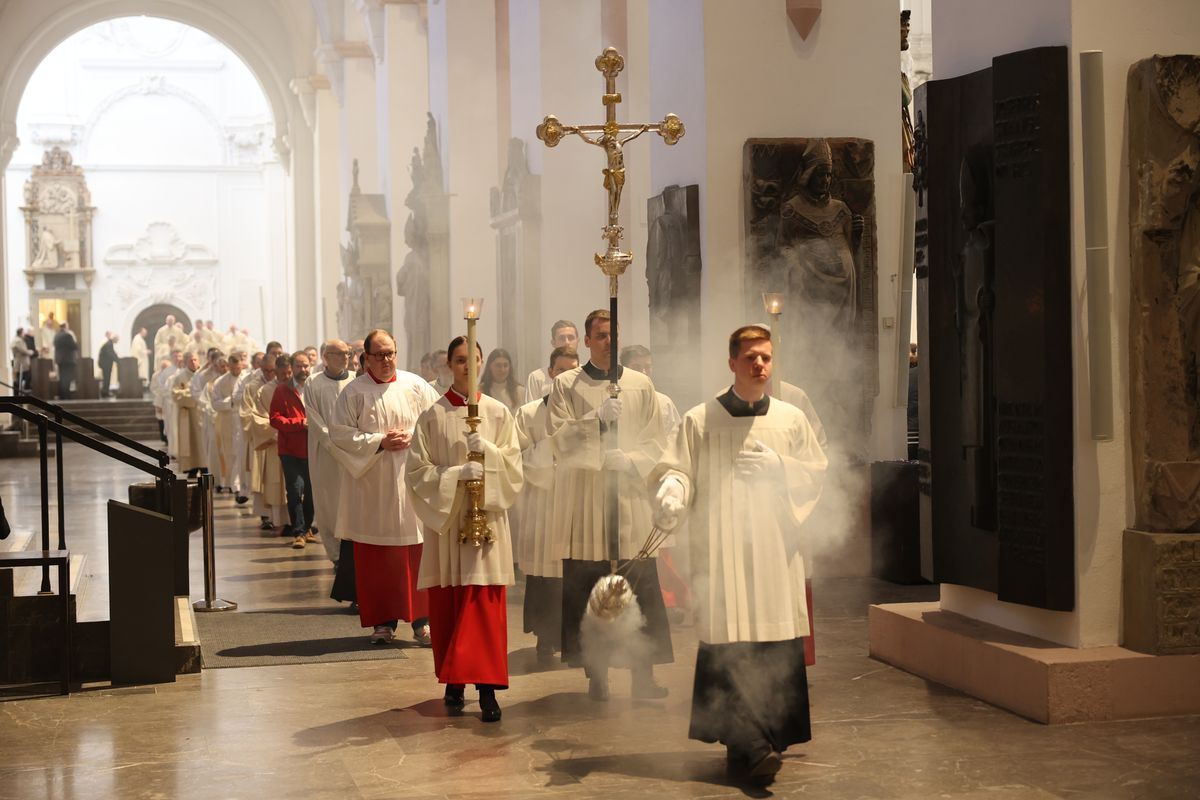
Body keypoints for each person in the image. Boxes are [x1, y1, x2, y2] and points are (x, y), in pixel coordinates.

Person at [649, 324, 827, 787]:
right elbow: (677, 468)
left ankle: (755, 742)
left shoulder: (790, 420)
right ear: (732, 363)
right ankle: (750, 744)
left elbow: (818, 473)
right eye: (750, 357)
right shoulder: (700, 419)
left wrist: (782, 467)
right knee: (731, 640)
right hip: (722, 551)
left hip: (775, 549)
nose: (759, 365)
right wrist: (672, 489)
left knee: (770, 639)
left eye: (766, 357)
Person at [547, 309, 671, 700]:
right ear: (586, 341)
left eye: (612, 335)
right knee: (590, 584)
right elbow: (557, 439)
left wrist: (632, 459)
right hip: (588, 500)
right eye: (600, 336)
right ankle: (597, 674)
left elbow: (659, 441)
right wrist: (595, 420)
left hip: (629, 498)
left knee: (639, 584)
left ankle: (643, 676)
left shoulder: (640, 385)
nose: (607, 342)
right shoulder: (567, 384)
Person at [406, 336, 524, 722]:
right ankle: (455, 680)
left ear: (481, 363)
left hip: (487, 522)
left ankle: (488, 689)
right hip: (450, 524)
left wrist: (488, 453)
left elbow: (514, 471)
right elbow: (416, 473)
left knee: (484, 607)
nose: (466, 368)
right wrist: (456, 473)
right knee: (452, 604)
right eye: (459, 361)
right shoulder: (432, 416)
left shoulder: (499, 413)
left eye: (472, 361)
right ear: (449, 366)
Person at [330, 329, 440, 645]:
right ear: (366, 358)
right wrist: (379, 442)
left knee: (416, 553)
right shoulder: (353, 392)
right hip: (373, 487)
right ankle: (383, 622)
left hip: (412, 482)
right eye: (379, 354)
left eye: (390, 352)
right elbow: (339, 434)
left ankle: (423, 621)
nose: (386, 360)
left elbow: (437, 422)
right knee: (378, 559)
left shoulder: (416, 385)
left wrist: (414, 437)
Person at [514, 345, 578, 663]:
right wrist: (550, 451)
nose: (567, 377)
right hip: (543, 501)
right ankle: (544, 636)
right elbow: (517, 457)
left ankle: (573, 638)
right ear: (551, 373)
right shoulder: (528, 414)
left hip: (575, 502)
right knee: (544, 574)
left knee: (573, 572)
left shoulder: (584, 411)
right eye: (562, 371)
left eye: (573, 371)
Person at [620, 344, 688, 617]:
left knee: (656, 547)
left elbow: (675, 439)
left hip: (654, 480)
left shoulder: (663, 401)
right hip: (623, 483)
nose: (645, 372)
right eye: (638, 367)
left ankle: (665, 602)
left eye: (648, 366)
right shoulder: (617, 398)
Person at [303, 340, 356, 565]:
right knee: (329, 502)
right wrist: (332, 442)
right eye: (340, 354)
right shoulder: (313, 383)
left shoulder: (356, 380)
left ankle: (353, 553)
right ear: (326, 357)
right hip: (325, 453)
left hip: (353, 453)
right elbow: (314, 419)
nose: (346, 357)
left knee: (352, 503)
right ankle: (336, 556)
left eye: (347, 353)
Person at [270, 352, 316, 549]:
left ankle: (307, 527)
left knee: (312, 493)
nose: (303, 370)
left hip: (313, 449)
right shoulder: (282, 390)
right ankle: (298, 532)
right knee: (295, 491)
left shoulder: (315, 388)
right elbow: (274, 419)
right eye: (298, 366)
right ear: (292, 367)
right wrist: (299, 423)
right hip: (290, 450)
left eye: (305, 366)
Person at [211, 352, 246, 495]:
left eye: (238, 368)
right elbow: (215, 403)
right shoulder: (220, 382)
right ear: (229, 366)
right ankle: (233, 484)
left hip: (243, 421)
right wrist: (229, 402)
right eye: (233, 368)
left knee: (242, 453)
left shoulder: (247, 378)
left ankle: (242, 484)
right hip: (227, 421)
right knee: (229, 452)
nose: (236, 371)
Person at [526, 320, 579, 398]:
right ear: (553, 343)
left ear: (578, 341)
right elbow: (530, 409)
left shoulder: (586, 375)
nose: (567, 342)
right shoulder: (536, 377)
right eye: (562, 338)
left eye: (571, 338)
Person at [480, 348, 526, 413]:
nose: (502, 370)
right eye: (498, 365)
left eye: (505, 365)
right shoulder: (480, 391)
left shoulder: (520, 392)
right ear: (490, 367)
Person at [53, 321, 79, 400]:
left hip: (60, 360)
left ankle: (62, 395)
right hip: (68, 360)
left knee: (62, 378)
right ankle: (66, 395)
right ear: (65, 327)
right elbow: (75, 346)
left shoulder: (56, 336)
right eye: (68, 326)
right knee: (67, 378)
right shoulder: (68, 335)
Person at [11, 328, 34, 393]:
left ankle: (21, 392)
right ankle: (21, 394)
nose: (24, 334)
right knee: (20, 379)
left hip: (19, 363)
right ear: (21, 333)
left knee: (20, 379)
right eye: (23, 333)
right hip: (21, 363)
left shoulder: (16, 340)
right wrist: (31, 352)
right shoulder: (18, 341)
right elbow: (24, 351)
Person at [98, 332, 118, 397]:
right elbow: (110, 354)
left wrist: (118, 359)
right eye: (117, 340)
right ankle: (104, 392)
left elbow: (112, 353)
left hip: (106, 364)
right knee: (106, 378)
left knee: (107, 378)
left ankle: (105, 392)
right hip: (106, 364)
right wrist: (118, 360)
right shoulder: (109, 344)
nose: (117, 341)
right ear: (114, 339)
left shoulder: (109, 343)